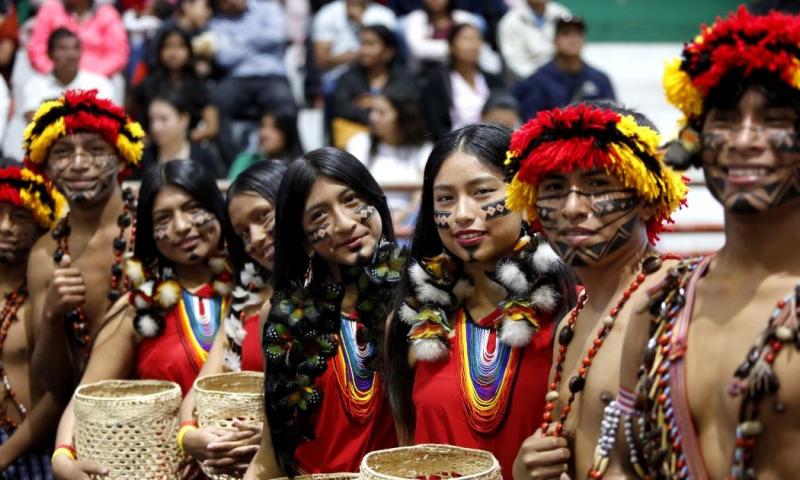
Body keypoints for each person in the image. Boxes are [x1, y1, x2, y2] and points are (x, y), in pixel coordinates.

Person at [614, 7, 800, 479]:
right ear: (695, 138)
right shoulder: (659, 308)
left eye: (774, 119)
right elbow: (626, 464)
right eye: (725, 120)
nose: (744, 140)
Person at [501, 103, 687, 479]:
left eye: (597, 184)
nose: (571, 207)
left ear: (650, 197)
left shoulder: (682, 299)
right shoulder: (572, 322)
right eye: (554, 188)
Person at [384, 123, 576, 479]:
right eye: (444, 199)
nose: (460, 215)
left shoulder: (574, 313)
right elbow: (405, 451)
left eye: (483, 192)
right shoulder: (408, 323)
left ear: (526, 195)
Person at [50, 159, 239, 478]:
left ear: (217, 209)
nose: (181, 227)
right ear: (151, 234)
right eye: (164, 218)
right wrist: (61, 458)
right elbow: (87, 395)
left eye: (193, 208)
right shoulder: (139, 307)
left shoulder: (253, 292)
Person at [245, 147, 403, 477]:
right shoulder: (280, 318)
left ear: (376, 201)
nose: (344, 224)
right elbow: (272, 451)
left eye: (351, 200)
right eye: (319, 216)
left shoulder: (419, 300)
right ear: (303, 239)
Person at [24, 89, 145, 404]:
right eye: (63, 152)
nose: (79, 163)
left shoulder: (154, 230)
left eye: (94, 149)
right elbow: (51, 382)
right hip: (83, 422)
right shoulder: (43, 254)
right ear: (46, 166)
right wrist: (52, 314)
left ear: (121, 157)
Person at [179, 160, 286, 476]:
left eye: (263, 216)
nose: (255, 238)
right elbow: (199, 392)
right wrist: (191, 437)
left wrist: (271, 438)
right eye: (242, 233)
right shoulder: (246, 301)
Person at [0, 164, 66, 478]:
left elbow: (57, 393)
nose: (4, 227)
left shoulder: (44, 296)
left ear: (41, 223)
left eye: (19, 217)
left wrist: (3, 456)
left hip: (32, 451)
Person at [346, 83, 432, 225]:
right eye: (372, 111)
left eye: (381, 113)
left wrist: (402, 217)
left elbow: (421, 195)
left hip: (410, 221)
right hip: (368, 218)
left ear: (402, 116)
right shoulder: (359, 144)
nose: (372, 117)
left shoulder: (423, 149)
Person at [514, 16, 615, 122]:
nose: (572, 39)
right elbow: (530, 123)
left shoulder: (600, 79)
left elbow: (613, 116)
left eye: (577, 34)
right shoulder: (537, 81)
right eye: (565, 33)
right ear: (555, 40)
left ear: (584, 40)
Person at [130, 26, 219, 144]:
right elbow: (128, 119)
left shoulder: (198, 87)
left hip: (187, 147)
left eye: (180, 46)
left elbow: (212, 128)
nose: (173, 53)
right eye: (168, 46)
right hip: (152, 148)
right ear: (159, 51)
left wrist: (184, 140)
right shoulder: (148, 85)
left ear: (189, 50)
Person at [28, 0, 129, 98]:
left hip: (97, 80)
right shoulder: (50, 9)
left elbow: (117, 55)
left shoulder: (107, 13)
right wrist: (59, 73)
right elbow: (37, 50)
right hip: (54, 78)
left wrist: (86, 77)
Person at [420, 23, 504, 139]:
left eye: (476, 39)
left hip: (491, 143)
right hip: (454, 145)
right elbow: (436, 124)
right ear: (451, 46)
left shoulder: (493, 80)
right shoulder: (438, 81)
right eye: (466, 39)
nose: (472, 45)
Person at [22, 29, 114, 123]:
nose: (71, 55)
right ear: (49, 54)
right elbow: (32, 120)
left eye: (75, 48)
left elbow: (106, 122)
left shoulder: (100, 84)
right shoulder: (35, 84)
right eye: (63, 49)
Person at [330, 24, 412, 127]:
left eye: (371, 44)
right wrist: (374, 114)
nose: (364, 51)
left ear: (388, 51)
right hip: (358, 134)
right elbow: (342, 108)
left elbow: (408, 105)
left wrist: (374, 102)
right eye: (362, 44)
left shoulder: (403, 77)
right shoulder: (348, 78)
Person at [311, 0, 396, 92]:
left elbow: (388, 51)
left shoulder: (384, 14)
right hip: (338, 78)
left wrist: (360, 22)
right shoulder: (327, 14)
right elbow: (321, 61)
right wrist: (358, 56)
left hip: (378, 75)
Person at [402, 0, 500, 74]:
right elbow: (418, 49)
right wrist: (457, 48)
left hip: (465, 71)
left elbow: (477, 46)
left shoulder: (464, 18)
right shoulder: (416, 18)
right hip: (426, 73)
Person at [141, 91, 222, 177]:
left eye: (163, 119)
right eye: (152, 120)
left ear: (183, 119)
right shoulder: (143, 159)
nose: (155, 127)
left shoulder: (203, 158)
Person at [497, 0, 570, 80]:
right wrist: (541, 79)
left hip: (565, 78)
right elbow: (514, 62)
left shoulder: (563, 15)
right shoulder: (510, 22)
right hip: (528, 83)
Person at [228, 108, 303, 179]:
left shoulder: (300, 168)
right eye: (262, 126)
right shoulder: (246, 161)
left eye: (274, 128)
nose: (263, 133)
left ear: (287, 133)